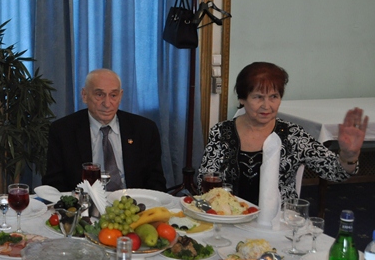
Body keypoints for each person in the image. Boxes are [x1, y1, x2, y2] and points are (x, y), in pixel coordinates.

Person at [197, 62, 368, 204]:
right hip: (228, 217)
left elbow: (336, 172)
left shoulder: (293, 135)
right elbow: (204, 182)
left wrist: (348, 156)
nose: (267, 106)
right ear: (242, 99)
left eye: (274, 97)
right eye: (258, 97)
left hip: (278, 222)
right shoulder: (222, 132)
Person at [42, 68, 167, 192]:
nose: (107, 104)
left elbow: (156, 181)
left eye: (113, 95)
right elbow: (55, 183)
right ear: (84, 95)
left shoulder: (145, 129)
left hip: (133, 202)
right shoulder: (63, 131)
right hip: (84, 202)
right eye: (99, 95)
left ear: (120, 96)